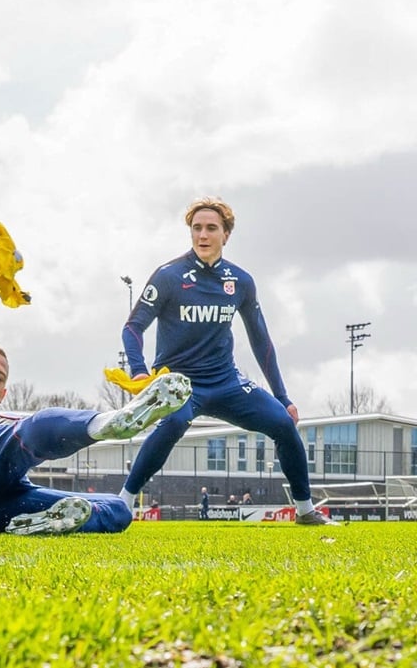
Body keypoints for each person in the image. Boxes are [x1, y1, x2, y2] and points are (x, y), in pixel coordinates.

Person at [0, 232, 193, 534]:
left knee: (117, 510)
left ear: (3, 394)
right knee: (19, 428)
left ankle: (35, 522)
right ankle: (108, 423)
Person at [116, 197, 338, 527]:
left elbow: (261, 341)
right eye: (196, 228)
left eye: (211, 228)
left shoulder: (241, 282)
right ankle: (123, 503)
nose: (202, 235)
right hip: (182, 385)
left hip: (226, 382)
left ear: (226, 234)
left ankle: (306, 511)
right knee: (174, 423)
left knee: (282, 422)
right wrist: (139, 370)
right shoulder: (169, 276)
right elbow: (133, 327)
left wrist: (284, 397)